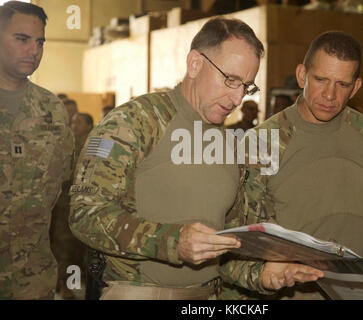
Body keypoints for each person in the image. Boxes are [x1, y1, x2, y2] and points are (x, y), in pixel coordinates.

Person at [69, 17, 322, 300]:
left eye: (247, 87)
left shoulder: (229, 144)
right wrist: (172, 242)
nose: (238, 98)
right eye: (230, 80)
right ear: (195, 64)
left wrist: (262, 274)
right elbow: (85, 215)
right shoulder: (135, 122)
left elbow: (227, 247)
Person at [220, 30, 363, 300]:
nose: (330, 95)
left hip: (358, 292)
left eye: (342, 84)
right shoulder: (262, 142)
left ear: (357, 87)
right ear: (302, 75)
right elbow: (238, 237)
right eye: (321, 80)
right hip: (288, 294)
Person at [0, 1, 74, 299]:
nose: (34, 50)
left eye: (40, 41)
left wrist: (67, 271)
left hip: (32, 279)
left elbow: (66, 196)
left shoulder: (52, 110)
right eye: (22, 39)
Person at [50, 112, 93, 299]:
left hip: (88, 206)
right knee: (64, 247)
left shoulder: (96, 144)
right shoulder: (67, 145)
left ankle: (77, 281)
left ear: (90, 125)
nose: (75, 125)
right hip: (66, 204)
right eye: (73, 121)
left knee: (81, 248)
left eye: (79, 122)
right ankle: (64, 285)